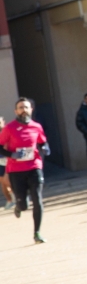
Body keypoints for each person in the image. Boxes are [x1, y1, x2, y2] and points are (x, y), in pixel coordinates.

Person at [0, 98, 49, 243]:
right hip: (16, 170)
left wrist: (46, 147)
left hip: (34, 166)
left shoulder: (36, 126)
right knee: (23, 205)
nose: (23, 110)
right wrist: (12, 155)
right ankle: (19, 207)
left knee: (37, 198)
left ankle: (37, 233)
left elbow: (42, 141)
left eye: (26, 107)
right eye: (20, 107)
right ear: (16, 111)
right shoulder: (9, 128)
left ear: (31, 109)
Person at [0, 117, 14, 209]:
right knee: (3, 182)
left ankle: (18, 196)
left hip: (8, 159)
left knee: (7, 180)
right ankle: (10, 200)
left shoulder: (7, 131)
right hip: (0, 161)